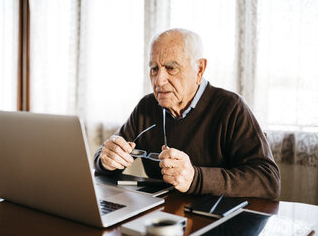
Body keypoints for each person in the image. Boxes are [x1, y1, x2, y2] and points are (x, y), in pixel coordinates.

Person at [93, 28, 280, 199]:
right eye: (154, 68)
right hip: (161, 216)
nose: (159, 81)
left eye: (171, 68)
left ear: (199, 69)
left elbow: (268, 180)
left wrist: (196, 178)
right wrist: (106, 160)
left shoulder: (231, 107)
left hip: (215, 221)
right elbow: (104, 158)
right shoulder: (147, 106)